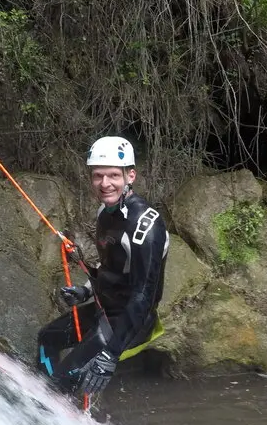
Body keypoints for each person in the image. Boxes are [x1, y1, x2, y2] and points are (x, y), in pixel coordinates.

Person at [36, 136, 169, 397]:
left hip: (128, 322)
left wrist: (111, 354)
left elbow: (143, 296)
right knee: (46, 338)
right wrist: (85, 291)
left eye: (113, 176)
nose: (105, 183)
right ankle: (48, 400)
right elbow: (110, 265)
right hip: (105, 308)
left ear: (130, 176)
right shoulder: (105, 213)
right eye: (98, 176)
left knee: (62, 383)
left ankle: (52, 402)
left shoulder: (146, 228)